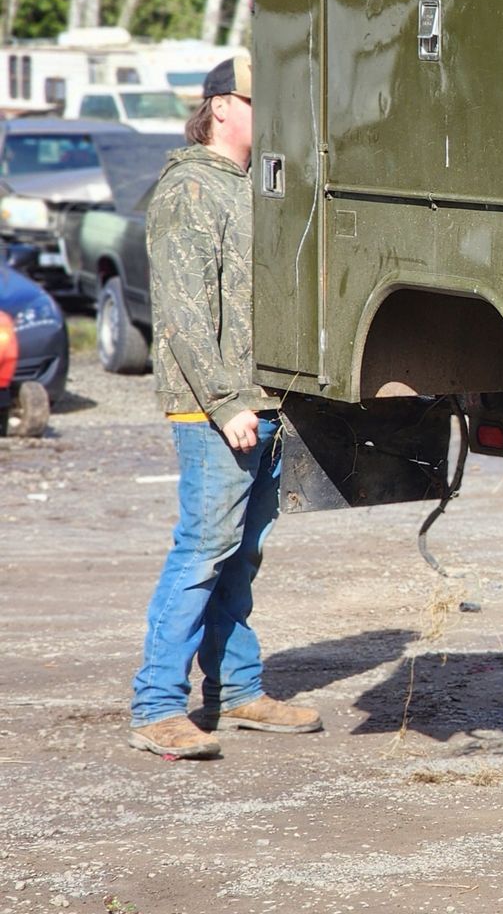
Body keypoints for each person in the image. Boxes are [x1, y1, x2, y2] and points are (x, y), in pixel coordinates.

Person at [128, 53, 321, 758]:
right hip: (216, 411)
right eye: (256, 99)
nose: (271, 117)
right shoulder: (189, 191)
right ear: (220, 108)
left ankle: (238, 692)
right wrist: (223, 401)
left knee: (240, 559)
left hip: (260, 405)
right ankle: (155, 706)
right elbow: (178, 311)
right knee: (202, 553)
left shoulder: (246, 187)